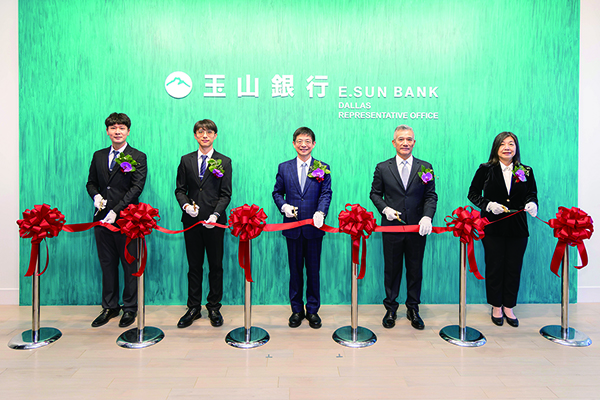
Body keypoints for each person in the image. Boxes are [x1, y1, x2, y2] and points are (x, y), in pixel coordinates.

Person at [370, 124, 437, 330]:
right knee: (392, 269)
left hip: (417, 228)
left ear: (414, 142)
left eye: (409, 139)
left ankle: (413, 308)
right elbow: (374, 194)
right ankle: (391, 308)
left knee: (415, 269)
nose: (405, 143)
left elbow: (430, 196)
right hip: (392, 227)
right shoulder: (383, 167)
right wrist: (385, 209)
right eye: (401, 139)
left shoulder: (425, 166)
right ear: (394, 142)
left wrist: (427, 217)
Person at [467, 131, 538, 327]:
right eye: (502, 144)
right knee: (495, 266)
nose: (507, 147)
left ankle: (509, 306)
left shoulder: (526, 170)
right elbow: (472, 193)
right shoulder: (485, 169)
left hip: (518, 227)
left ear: (516, 147)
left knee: (514, 267)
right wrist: (488, 205)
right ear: (496, 148)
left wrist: (532, 203)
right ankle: (496, 306)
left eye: (511, 144)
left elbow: (531, 193)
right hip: (492, 227)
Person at [87, 112, 147, 328]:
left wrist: (117, 210)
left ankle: (130, 307)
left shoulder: (138, 156)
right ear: (107, 131)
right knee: (107, 263)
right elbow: (91, 182)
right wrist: (96, 196)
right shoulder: (99, 155)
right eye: (113, 128)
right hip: (101, 219)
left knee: (129, 263)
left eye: (122, 128)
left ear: (128, 131)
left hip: (127, 219)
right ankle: (109, 306)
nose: (117, 131)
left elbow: (136, 187)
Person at [272, 127, 332, 329]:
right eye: (299, 141)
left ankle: (313, 310)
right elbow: (277, 193)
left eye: (307, 141)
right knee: (295, 271)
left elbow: (326, 193)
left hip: (314, 229)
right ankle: (296, 310)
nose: (303, 144)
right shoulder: (284, 167)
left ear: (313, 144)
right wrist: (284, 206)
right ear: (294, 144)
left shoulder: (323, 167)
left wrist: (321, 212)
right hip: (293, 228)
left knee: (313, 271)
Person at [175, 119, 232, 328]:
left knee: (216, 266)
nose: (205, 135)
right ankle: (193, 307)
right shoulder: (186, 160)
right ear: (195, 135)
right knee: (194, 265)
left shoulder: (224, 161)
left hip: (214, 222)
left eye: (209, 132)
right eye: (200, 132)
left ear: (215, 135)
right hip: (191, 221)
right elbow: (180, 189)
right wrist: (185, 206)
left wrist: (216, 215)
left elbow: (225, 194)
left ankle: (214, 307)